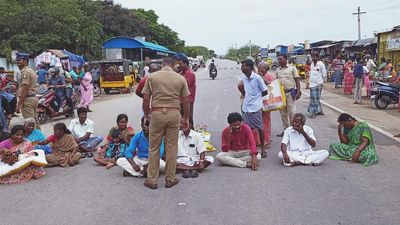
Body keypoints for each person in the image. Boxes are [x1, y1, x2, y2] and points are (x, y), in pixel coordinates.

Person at [142, 57, 190, 189]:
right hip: (174, 113)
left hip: (157, 113)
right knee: (172, 147)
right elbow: (186, 101)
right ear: (174, 65)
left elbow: (146, 99)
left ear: (162, 65)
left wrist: (146, 115)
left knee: (153, 148)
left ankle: (152, 180)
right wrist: (186, 118)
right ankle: (170, 179)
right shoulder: (180, 78)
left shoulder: (152, 77)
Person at [238, 59, 268, 157]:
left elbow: (265, 91)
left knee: (260, 128)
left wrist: (258, 100)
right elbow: (243, 89)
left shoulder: (258, 78)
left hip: (256, 107)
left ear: (250, 67)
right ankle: (250, 147)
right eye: (242, 66)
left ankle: (263, 149)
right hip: (246, 107)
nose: (242, 68)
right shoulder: (244, 77)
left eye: (244, 66)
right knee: (248, 129)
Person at [275, 54, 301, 137]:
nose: (279, 61)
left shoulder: (292, 68)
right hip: (281, 94)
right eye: (278, 59)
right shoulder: (277, 70)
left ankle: (293, 130)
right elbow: (275, 83)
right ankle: (286, 131)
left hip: (290, 93)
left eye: (281, 59)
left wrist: (298, 91)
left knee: (292, 113)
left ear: (286, 59)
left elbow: (297, 80)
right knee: (283, 114)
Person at [15, 53, 40, 129]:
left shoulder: (25, 72)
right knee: (35, 121)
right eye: (17, 60)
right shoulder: (31, 70)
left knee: (30, 124)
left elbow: (25, 89)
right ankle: (40, 138)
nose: (17, 62)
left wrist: (19, 104)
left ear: (25, 61)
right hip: (33, 98)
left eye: (19, 60)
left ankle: (35, 140)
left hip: (28, 99)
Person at [173, 53, 196, 129]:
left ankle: (192, 135)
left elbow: (182, 85)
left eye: (180, 64)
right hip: (181, 100)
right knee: (182, 119)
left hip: (188, 100)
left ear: (186, 64)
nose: (179, 65)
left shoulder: (190, 74)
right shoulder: (181, 73)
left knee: (188, 118)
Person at [257, 62, 275, 150]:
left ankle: (266, 141)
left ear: (265, 69)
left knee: (265, 122)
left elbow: (272, 86)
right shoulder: (255, 75)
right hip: (257, 102)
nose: (259, 69)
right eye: (258, 67)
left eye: (261, 67)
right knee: (257, 122)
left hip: (267, 102)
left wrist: (262, 78)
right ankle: (258, 141)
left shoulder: (269, 76)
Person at [308, 53, 326, 117]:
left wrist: (322, 83)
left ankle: (313, 112)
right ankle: (320, 110)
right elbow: (311, 73)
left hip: (318, 83)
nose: (313, 58)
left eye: (315, 56)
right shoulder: (312, 64)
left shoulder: (321, 64)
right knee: (313, 98)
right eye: (312, 56)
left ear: (318, 57)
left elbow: (324, 74)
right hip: (312, 83)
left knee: (316, 99)